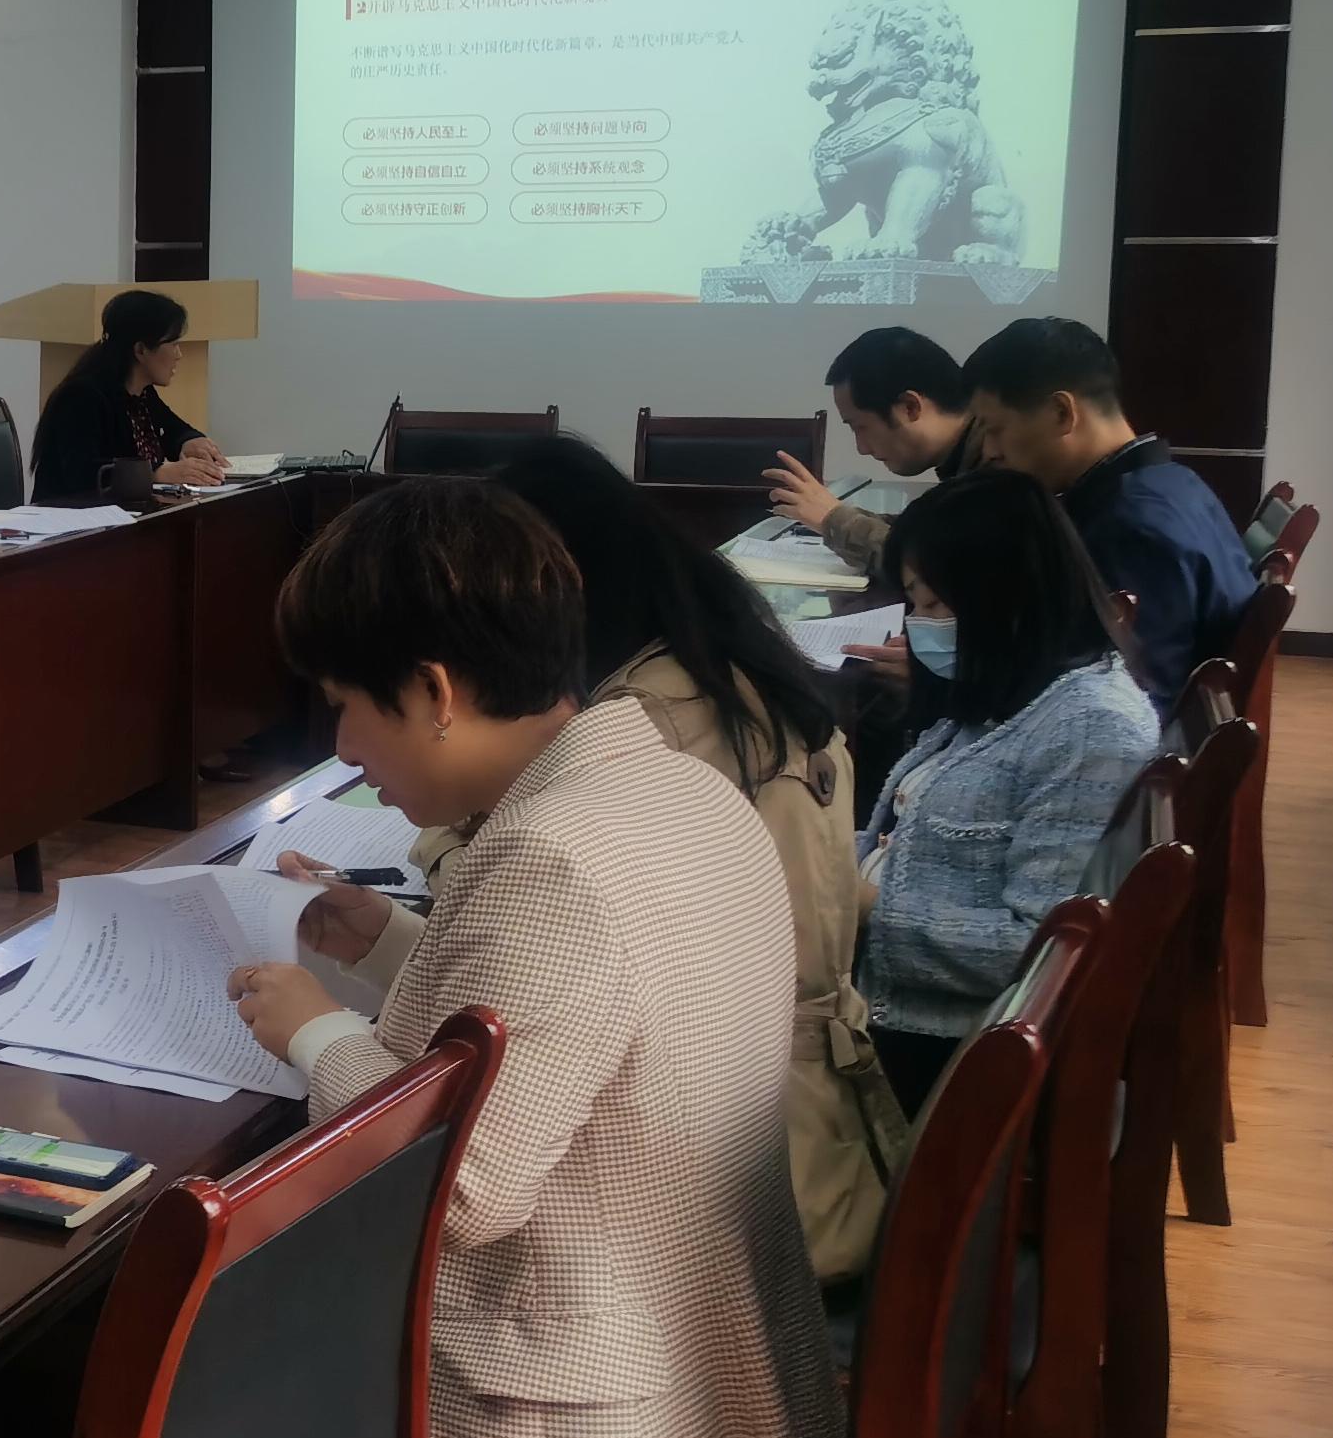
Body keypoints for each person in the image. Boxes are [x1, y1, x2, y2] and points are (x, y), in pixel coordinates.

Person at [223, 482, 843, 1438]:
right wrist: (392, 944)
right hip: (698, 1371)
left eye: (348, 706)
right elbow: (563, 1030)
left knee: (187, 1403)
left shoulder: (549, 858)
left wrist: (316, 1032)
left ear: (435, 692)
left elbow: (456, 1191)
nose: (341, 745)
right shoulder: (665, 787)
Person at [474, 439, 908, 1287]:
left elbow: (538, 934)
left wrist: (454, 830)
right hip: (804, 1106)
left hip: (740, 1183)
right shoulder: (723, 657)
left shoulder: (650, 719)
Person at [854, 466, 1158, 1117]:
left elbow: (1037, 950)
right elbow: (909, 839)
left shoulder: (1091, 729)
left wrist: (863, 906)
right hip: (904, 1006)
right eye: (914, 604)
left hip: (961, 1052)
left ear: (1003, 597)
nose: (917, 627)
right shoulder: (1010, 688)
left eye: (934, 605)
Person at [962, 315, 1254, 714]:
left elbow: (1131, 705)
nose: (989, 452)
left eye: (996, 429)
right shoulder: (1173, 482)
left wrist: (960, 683)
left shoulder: (1130, 528)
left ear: (1061, 413)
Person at [765, 323, 979, 584]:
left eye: (860, 427)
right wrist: (834, 516)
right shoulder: (965, 461)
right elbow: (931, 536)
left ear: (910, 407)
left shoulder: (994, 467)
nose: (862, 448)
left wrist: (834, 520)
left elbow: (942, 568)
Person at [27, 289, 229, 500]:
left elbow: (173, 429)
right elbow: (83, 474)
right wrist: (155, 474)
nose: (179, 355)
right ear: (140, 350)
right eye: (173, 344)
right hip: (74, 515)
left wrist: (189, 441)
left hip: (130, 512)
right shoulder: (81, 397)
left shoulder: (141, 393)